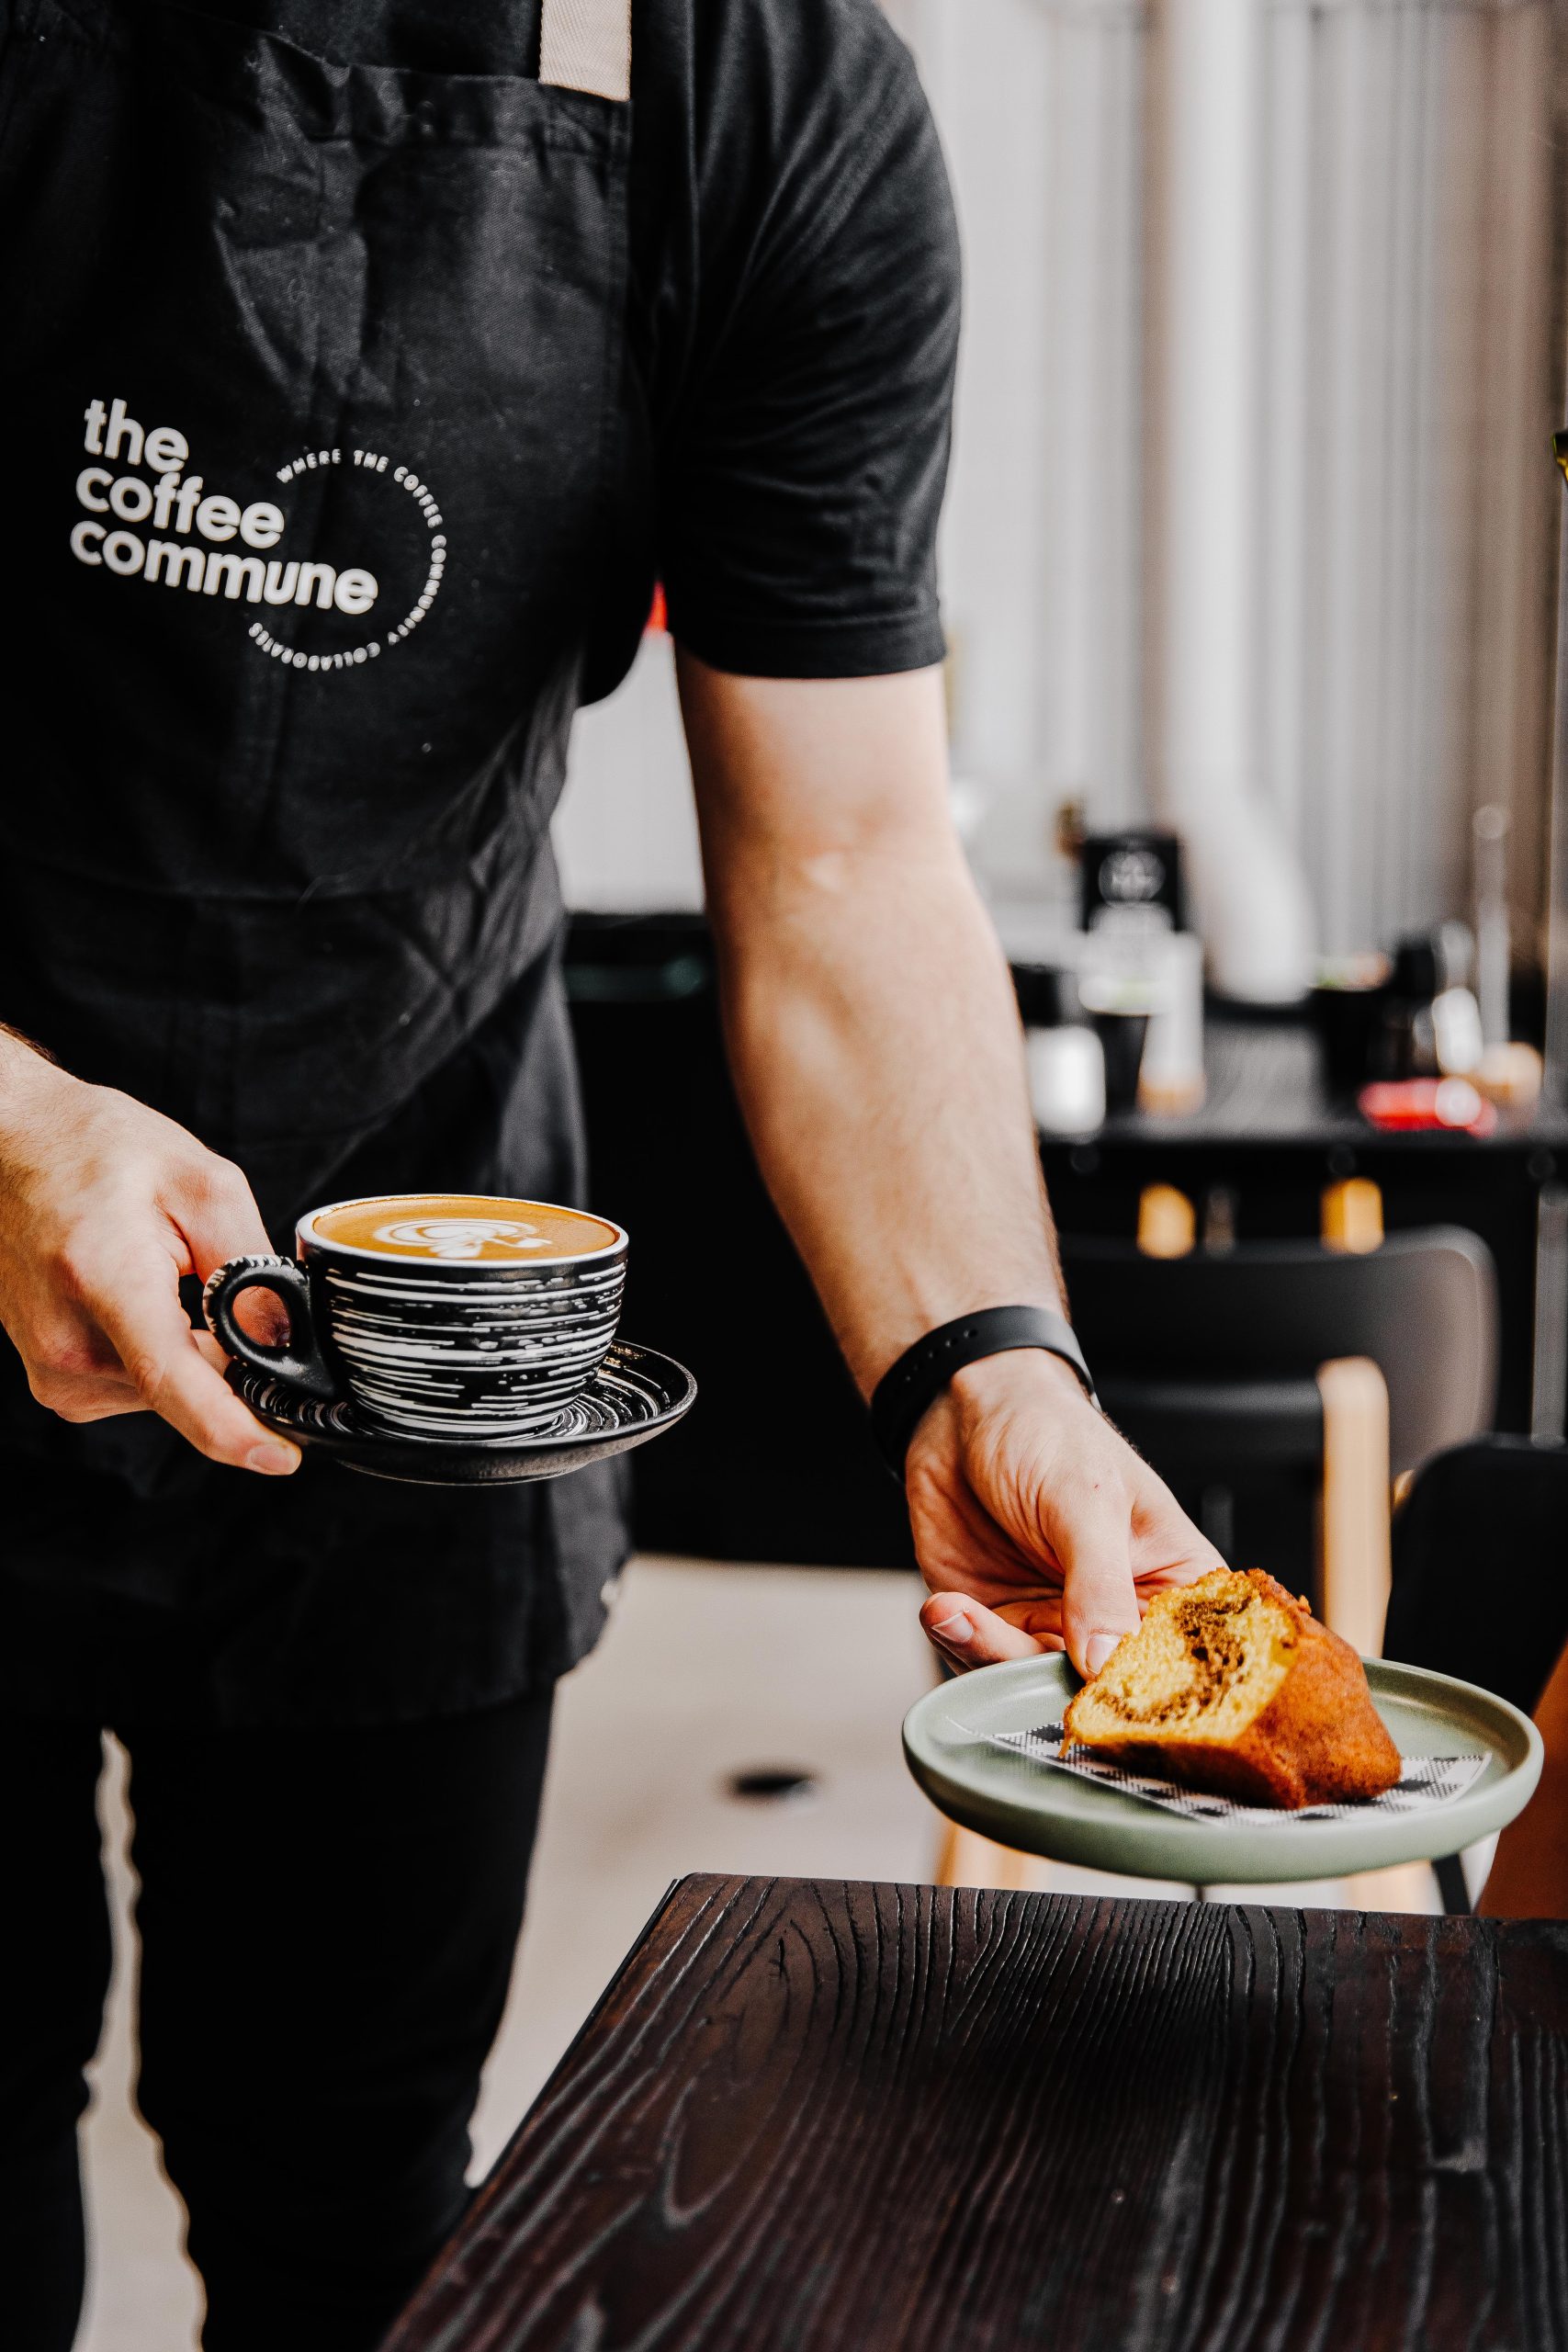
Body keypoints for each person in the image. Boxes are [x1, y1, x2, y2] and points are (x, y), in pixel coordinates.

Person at [0, 0, 1220, 2343]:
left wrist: (987, 1365)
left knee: (353, 2207)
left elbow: (853, 859)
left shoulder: (760, 96)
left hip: (427, 1327)